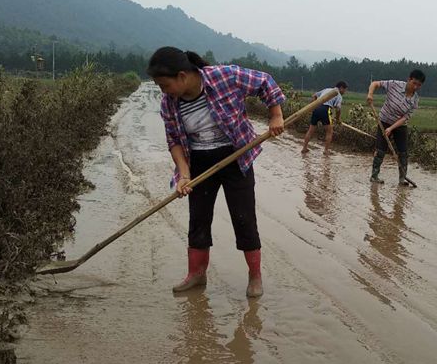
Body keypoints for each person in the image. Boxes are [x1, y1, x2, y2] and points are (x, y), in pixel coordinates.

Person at [149, 46, 285, 298]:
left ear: (182, 76)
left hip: (236, 157)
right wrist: (184, 175)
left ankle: (255, 277)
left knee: (244, 219)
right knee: (198, 219)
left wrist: (275, 114)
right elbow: (174, 141)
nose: (163, 91)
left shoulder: (225, 76)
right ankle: (196, 276)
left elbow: (265, 81)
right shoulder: (169, 103)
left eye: (164, 85)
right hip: (199, 160)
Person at [366, 69, 425, 185]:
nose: (416, 87)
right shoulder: (395, 85)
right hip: (383, 120)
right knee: (380, 150)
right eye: (414, 83)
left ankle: (402, 178)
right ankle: (374, 176)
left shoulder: (415, 100)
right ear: (409, 79)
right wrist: (370, 94)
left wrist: (391, 128)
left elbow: (404, 118)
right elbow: (375, 84)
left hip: (399, 125)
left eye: (419, 85)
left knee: (403, 152)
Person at [300, 81, 348, 153]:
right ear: (341, 88)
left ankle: (304, 148)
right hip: (325, 109)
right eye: (345, 90)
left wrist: (313, 106)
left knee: (310, 130)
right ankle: (326, 150)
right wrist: (338, 119)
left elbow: (314, 96)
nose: (345, 92)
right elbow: (338, 109)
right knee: (329, 131)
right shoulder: (338, 95)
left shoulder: (327, 89)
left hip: (316, 108)